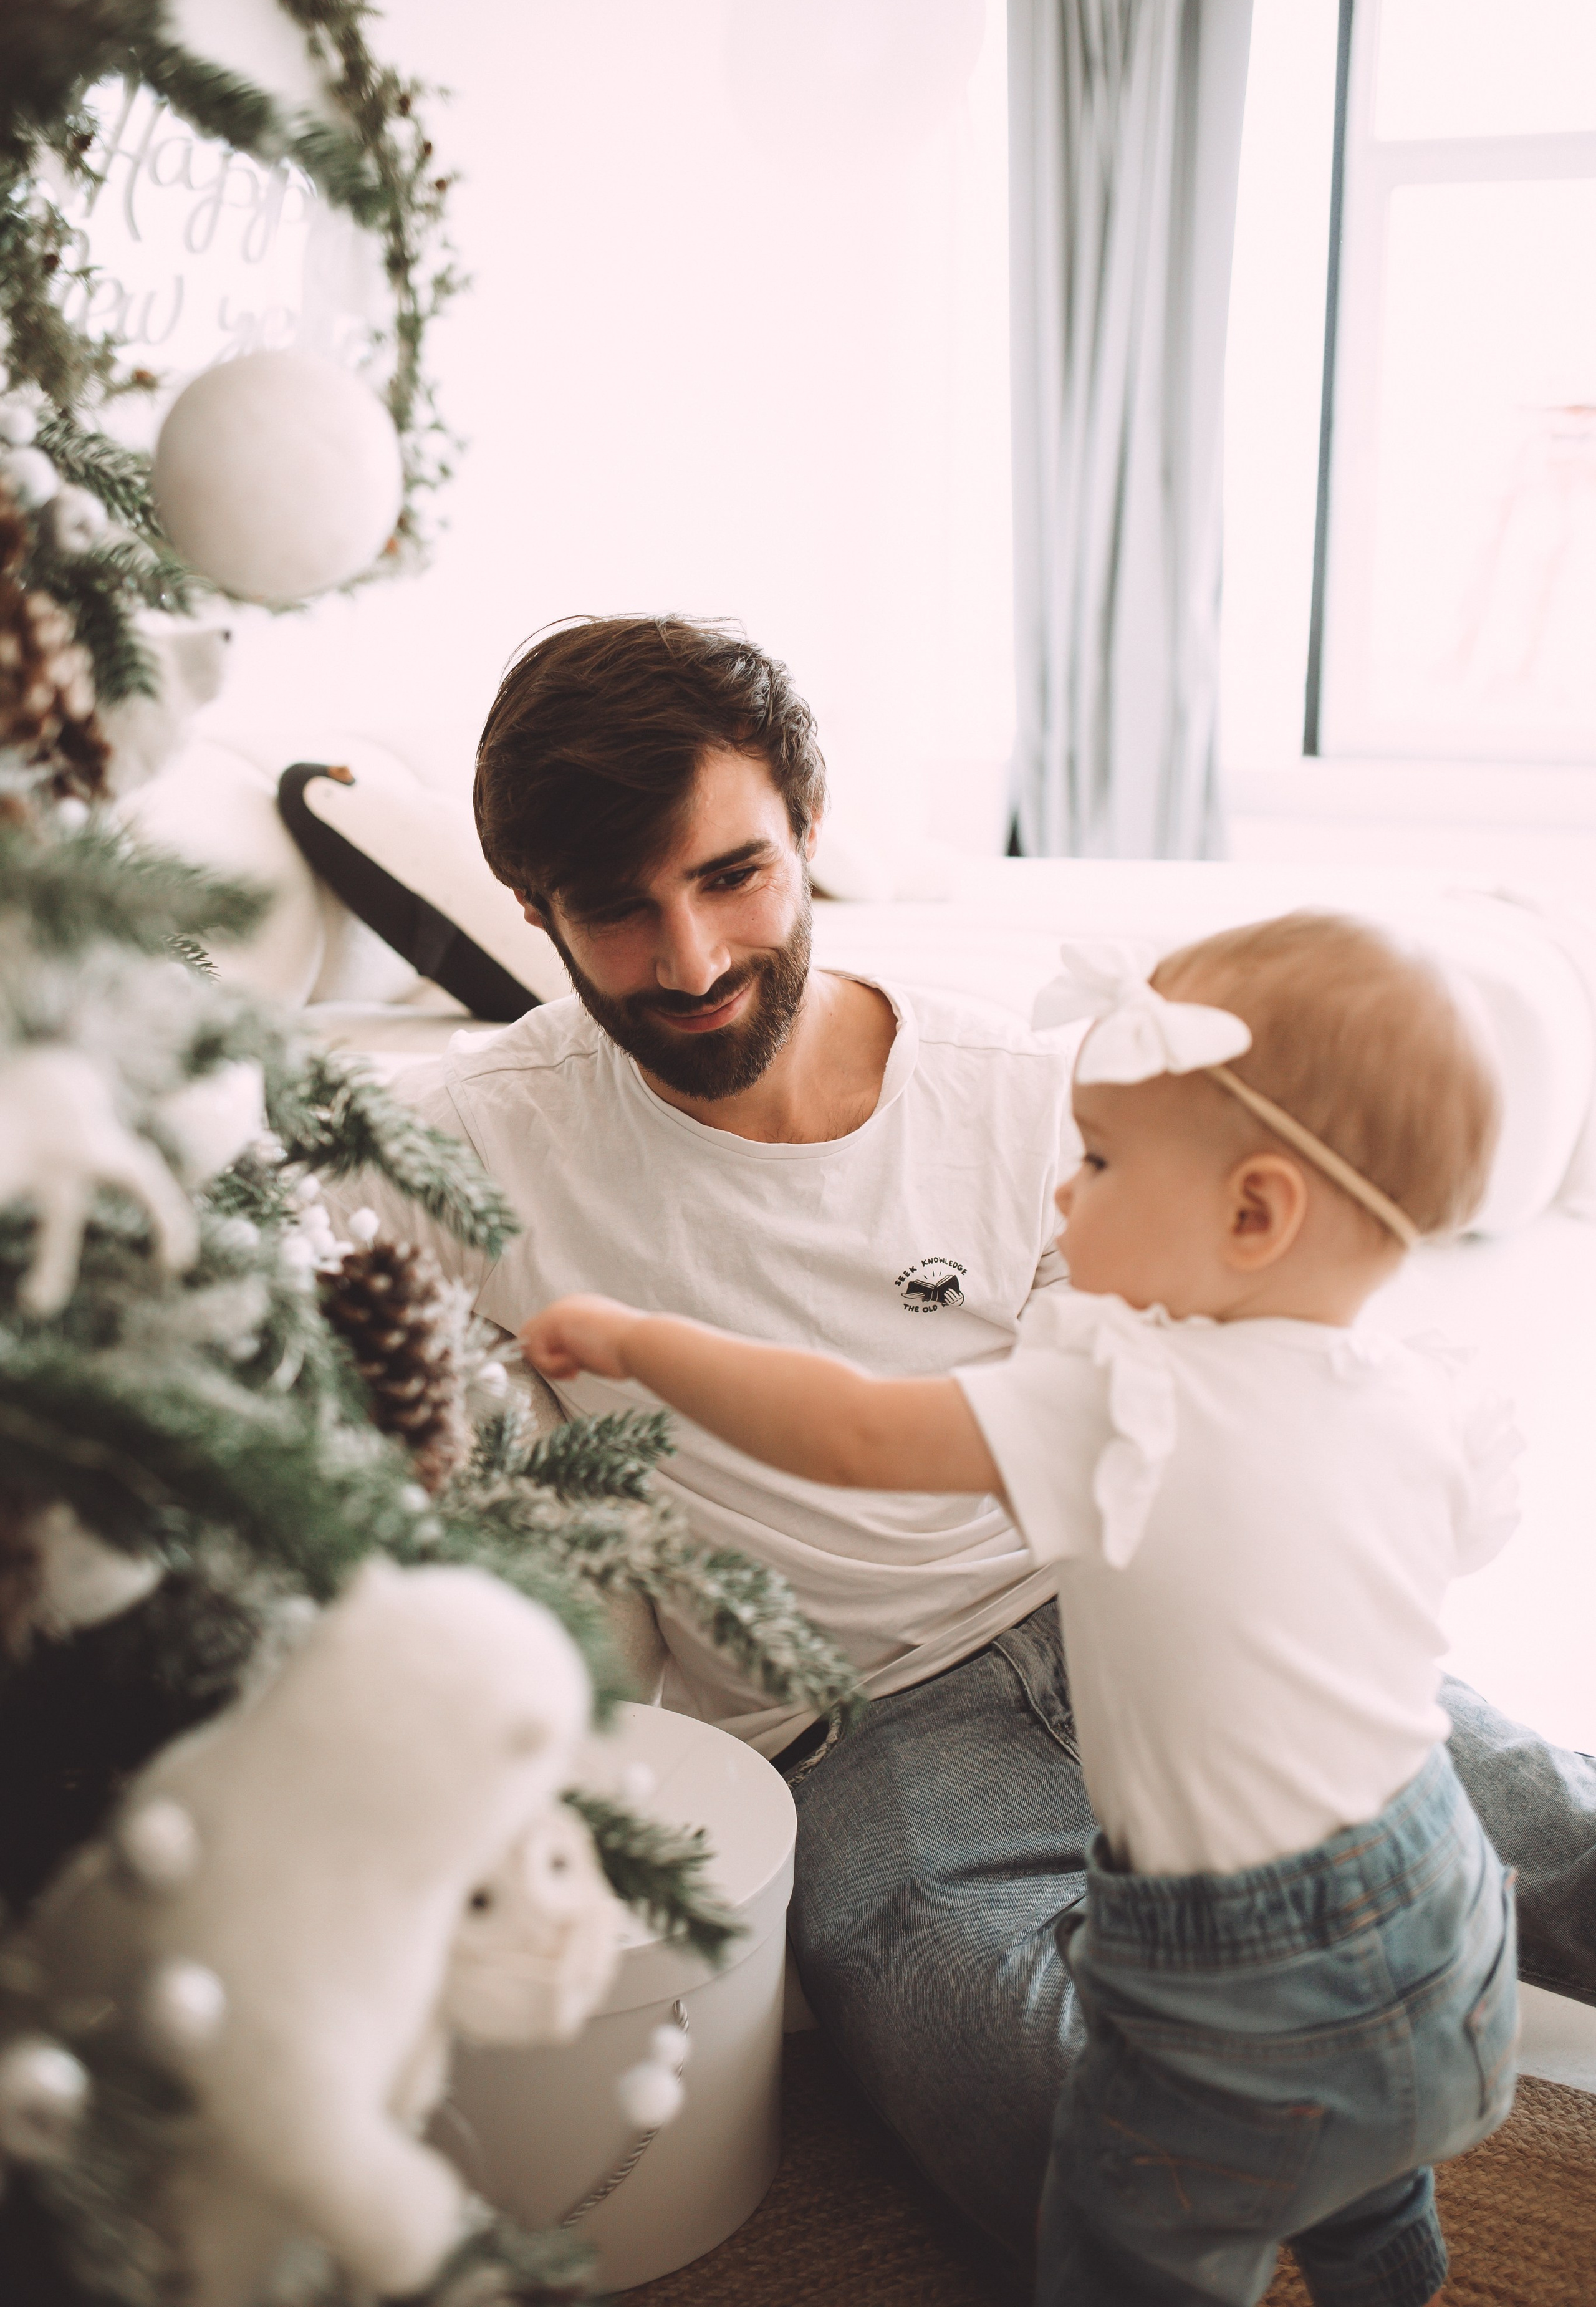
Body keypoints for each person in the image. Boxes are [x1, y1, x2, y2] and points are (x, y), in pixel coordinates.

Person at [326, 614, 1596, 2258]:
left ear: (809, 825)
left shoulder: (1030, 1095)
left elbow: (1242, 1381)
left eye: (734, 875)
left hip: (1158, 1606)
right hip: (866, 1726)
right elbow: (218, 1235)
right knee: (1057, 2141)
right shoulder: (481, 1144)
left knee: (1550, 1832)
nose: (696, 958)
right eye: (618, 910)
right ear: (534, 911)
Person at [521, 912, 1522, 2307]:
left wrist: (639, 1342)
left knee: (1132, 2236)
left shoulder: (1127, 1401)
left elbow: (858, 1432)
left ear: (1252, 1214)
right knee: (1360, 2135)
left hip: (1229, 1989)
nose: (1058, 1195)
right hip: (1441, 1917)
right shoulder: (1412, 1397)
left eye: (1099, 1162)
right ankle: (1388, 2266)